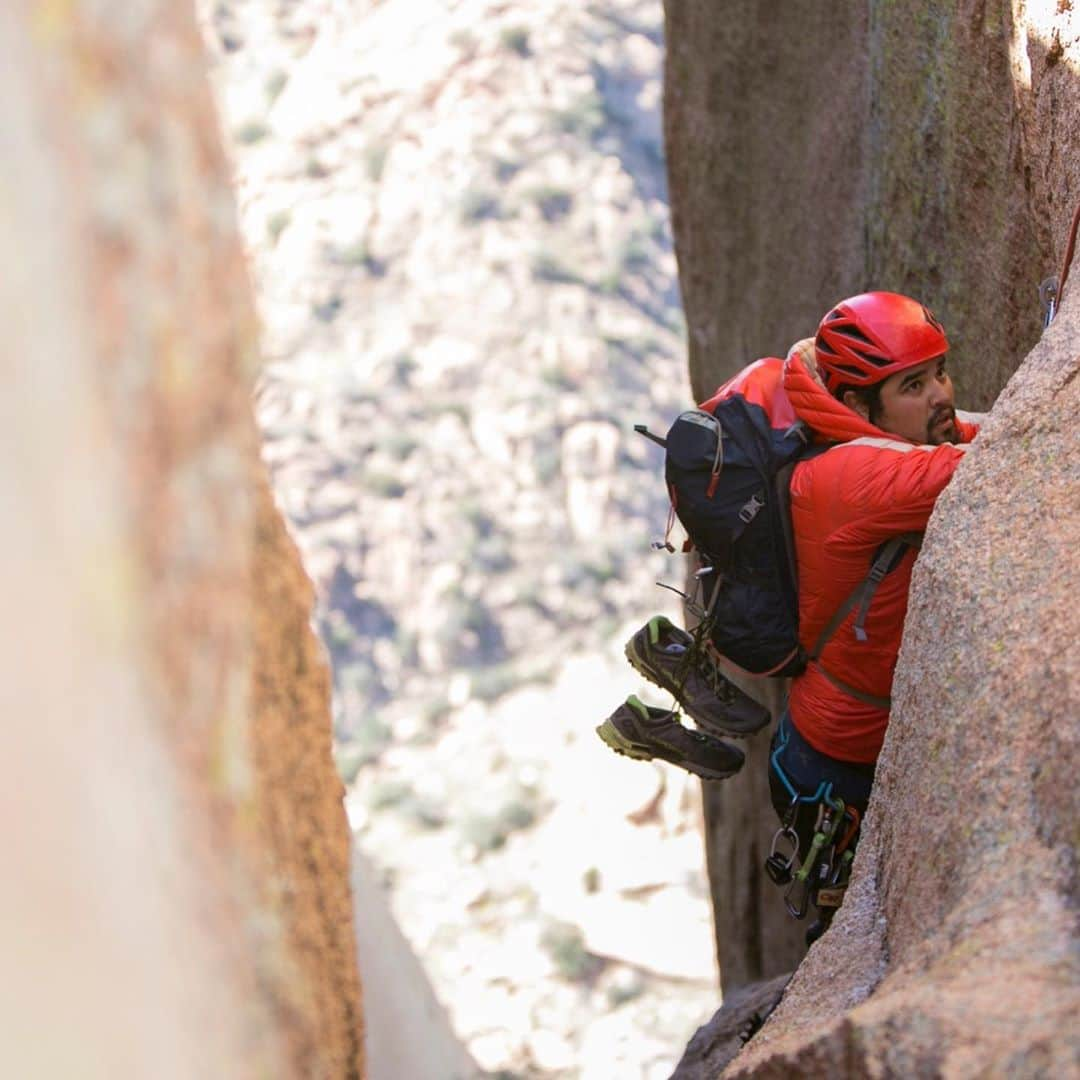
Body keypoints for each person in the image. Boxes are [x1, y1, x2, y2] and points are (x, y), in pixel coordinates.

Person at [597, 291, 981, 935]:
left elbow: (968, 432)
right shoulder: (856, 480)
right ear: (859, 405)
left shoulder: (854, 436)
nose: (941, 393)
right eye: (914, 384)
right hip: (842, 768)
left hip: (825, 756)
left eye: (940, 370)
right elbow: (1007, 462)